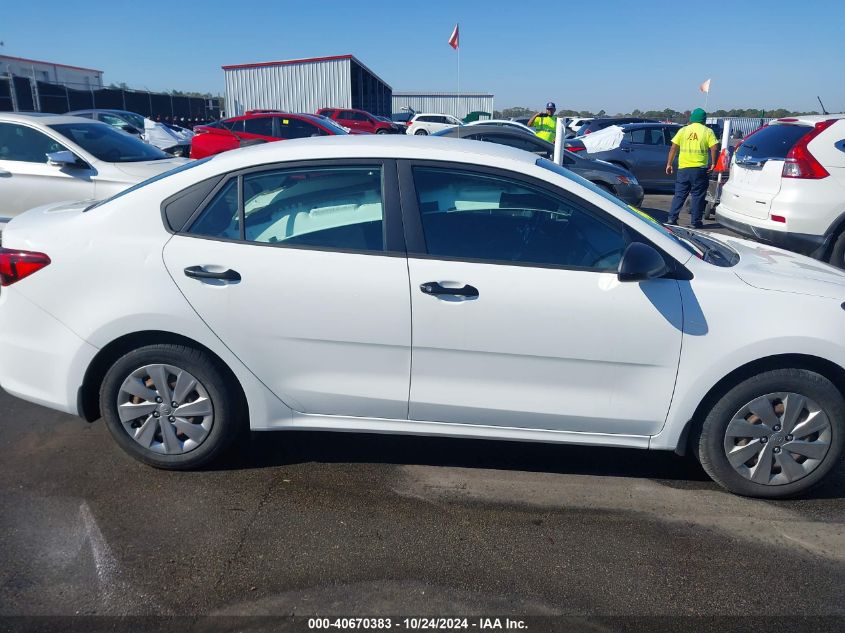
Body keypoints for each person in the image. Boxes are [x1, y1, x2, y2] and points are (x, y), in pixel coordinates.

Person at [665, 108, 719, 228]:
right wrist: (713, 162)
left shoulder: (683, 130)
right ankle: (695, 222)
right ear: (704, 120)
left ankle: (671, 219)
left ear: (692, 118)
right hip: (699, 169)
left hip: (683, 168)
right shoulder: (707, 131)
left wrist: (669, 163)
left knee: (679, 194)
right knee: (697, 196)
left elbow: (673, 147)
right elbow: (714, 148)